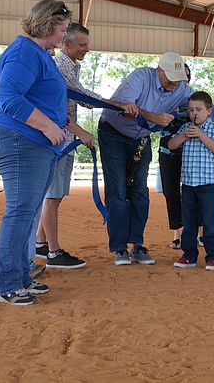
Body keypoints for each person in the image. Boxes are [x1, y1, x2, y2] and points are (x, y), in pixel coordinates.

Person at [98, 52, 214, 266]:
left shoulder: (181, 88)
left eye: (179, 78)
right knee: (117, 191)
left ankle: (137, 245)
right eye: (171, 78)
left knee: (140, 193)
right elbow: (123, 106)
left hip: (141, 139)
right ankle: (119, 248)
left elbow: (207, 108)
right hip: (113, 134)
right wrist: (154, 117)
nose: (175, 83)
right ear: (159, 71)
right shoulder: (140, 77)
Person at [0, 0, 72, 305]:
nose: (64, 36)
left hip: (34, 143)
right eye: (61, 29)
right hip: (20, 139)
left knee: (28, 211)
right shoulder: (24, 52)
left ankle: (21, 276)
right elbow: (9, 98)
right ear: (47, 25)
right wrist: (49, 126)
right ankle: (7, 284)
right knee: (21, 212)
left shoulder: (37, 53)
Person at [33, 23, 138, 269]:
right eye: (82, 45)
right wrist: (118, 105)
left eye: (87, 44)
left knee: (54, 195)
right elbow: (84, 98)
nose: (87, 49)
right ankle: (54, 252)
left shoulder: (69, 66)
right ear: (66, 44)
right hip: (59, 140)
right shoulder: (61, 67)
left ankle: (40, 243)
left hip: (63, 139)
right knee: (53, 196)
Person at [168, 91, 214, 271]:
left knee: (209, 222)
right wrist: (184, 136)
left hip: (207, 185)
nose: (194, 114)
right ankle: (189, 255)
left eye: (199, 110)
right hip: (188, 185)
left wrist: (201, 135)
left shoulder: (213, 128)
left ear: (209, 111)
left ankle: (213, 257)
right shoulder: (185, 128)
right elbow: (171, 145)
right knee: (189, 222)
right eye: (191, 110)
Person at [158, 64, 192, 250]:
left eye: (184, 77)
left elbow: (208, 113)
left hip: (190, 152)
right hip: (167, 151)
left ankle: (198, 233)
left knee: (193, 190)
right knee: (170, 192)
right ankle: (176, 233)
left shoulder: (194, 102)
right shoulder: (162, 99)